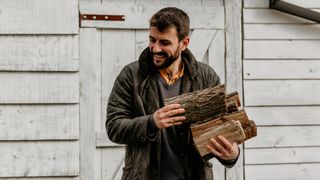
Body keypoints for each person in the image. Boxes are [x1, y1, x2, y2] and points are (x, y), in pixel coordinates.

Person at [106, 7, 239, 180]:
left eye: (164, 43)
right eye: (152, 40)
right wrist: (152, 122)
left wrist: (231, 155)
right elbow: (114, 127)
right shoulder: (131, 75)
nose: (155, 48)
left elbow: (218, 130)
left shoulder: (206, 77)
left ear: (184, 43)